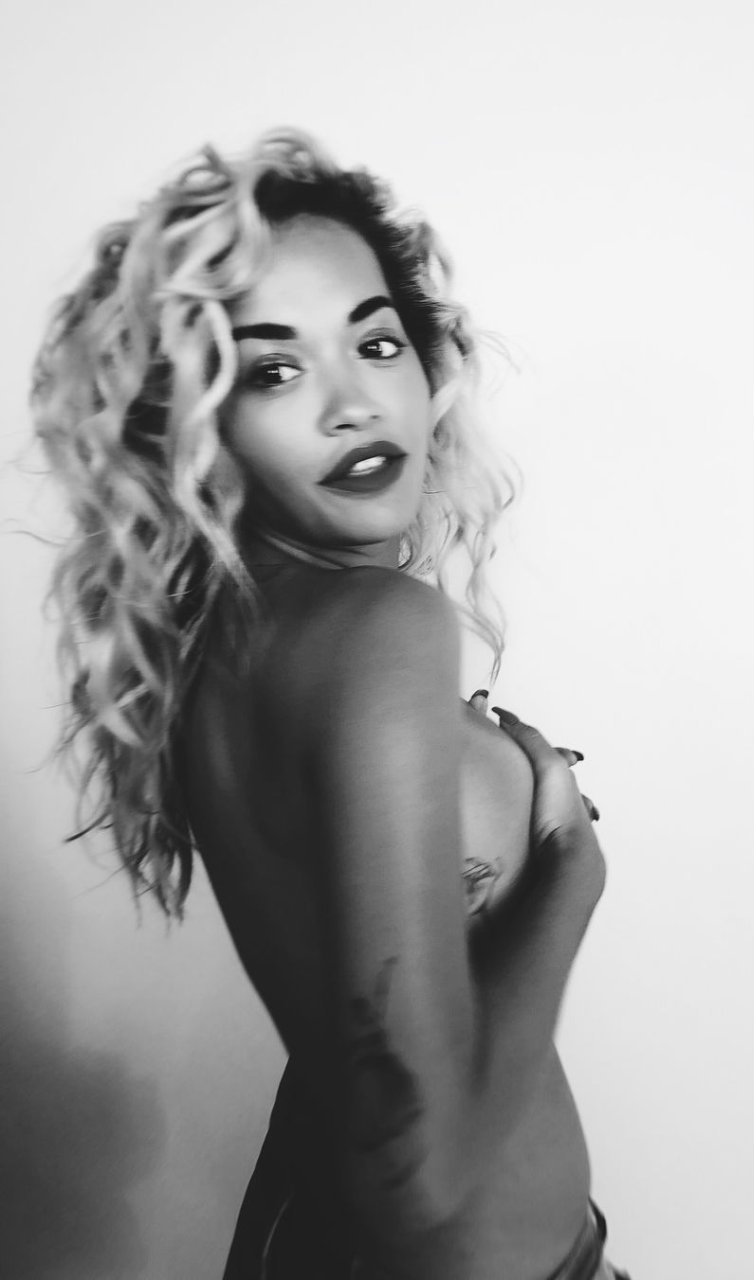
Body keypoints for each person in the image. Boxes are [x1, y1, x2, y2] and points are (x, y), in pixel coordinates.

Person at [31, 129, 629, 1279]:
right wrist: (569, 873)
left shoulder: (224, 641)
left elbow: (345, 1040)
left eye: (374, 340)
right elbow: (426, 1173)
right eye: (275, 369)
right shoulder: (380, 629)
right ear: (195, 417)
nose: (354, 402)